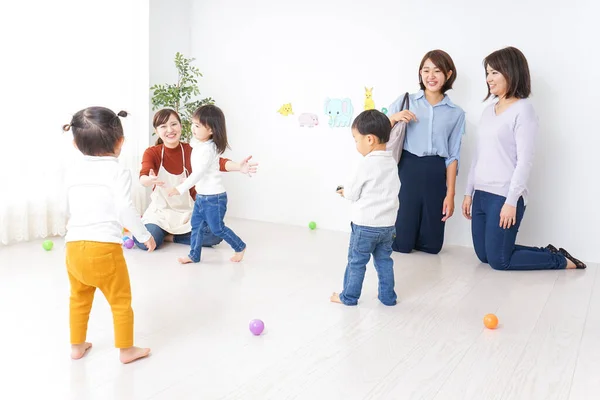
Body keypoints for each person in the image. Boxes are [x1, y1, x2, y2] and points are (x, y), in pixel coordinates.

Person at [461, 46, 586, 270]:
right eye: (487, 73)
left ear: (511, 72)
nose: (489, 79)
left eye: (494, 72)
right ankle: (548, 251)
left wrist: (511, 201)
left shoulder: (523, 110)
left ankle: (560, 260)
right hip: (481, 193)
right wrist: (468, 193)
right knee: (484, 256)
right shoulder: (488, 111)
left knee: (499, 261)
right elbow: (478, 156)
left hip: (503, 195)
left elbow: (524, 161)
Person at [62, 106, 154, 364]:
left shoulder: (72, 171)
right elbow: (125, 208)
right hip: (104, 249)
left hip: (73, 247)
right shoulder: (118, 171)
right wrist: (143, 234)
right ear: (120, 141)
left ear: (75, 143)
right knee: (120, 300)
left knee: (78, 298)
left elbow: (64, 206)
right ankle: (126, 350)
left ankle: (77, 347)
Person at [135, 108, 257, 250]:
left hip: (187, 213)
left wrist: (238, 166)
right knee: (143, 242)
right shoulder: (152, 152)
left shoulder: (192, 149)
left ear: (180, 126)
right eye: (163, 126)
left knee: (214, 234)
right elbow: (143, 176)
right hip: (161, 212)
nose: (170, 130)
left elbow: (218, 162)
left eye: (174, 124)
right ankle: (161, 232)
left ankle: (170, 237)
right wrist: (148, 180)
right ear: (157, 131)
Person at [388, 50, 466, 254]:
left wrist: (450, 194)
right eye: (426, 70)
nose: (430, 76)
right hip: (408, 167)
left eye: (437, 70)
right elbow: (377, 132)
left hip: (435, 171)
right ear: (420, 73)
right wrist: (394, 117)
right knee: (402, 245)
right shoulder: (406, 100)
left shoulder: (456, 113)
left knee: (432, 247)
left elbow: (453, 155)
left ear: (448, 75)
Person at [330, 110, 400, 306]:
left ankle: (349, 297)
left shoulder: (365, 163)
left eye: (356, 139)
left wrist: (344, 192)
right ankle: (388, 297)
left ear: (369, 139)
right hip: (387, 226)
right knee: (384, 261)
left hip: (364, 226)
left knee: (356, 262)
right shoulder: (392, 162)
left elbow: (353, 193)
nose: (356, 144)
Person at [168, 105, 246, 263]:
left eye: (197, 126)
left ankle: (240, 246)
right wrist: (188, 180)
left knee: (217, 228)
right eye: (192, 124)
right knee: (196, 226)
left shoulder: (208, 149)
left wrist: (181, 188)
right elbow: (198, 170)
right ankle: (194, 255)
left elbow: (199, 173)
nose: (193, 128)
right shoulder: (200, 144)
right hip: (202, 196)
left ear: (211, 130)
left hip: (214, 198)